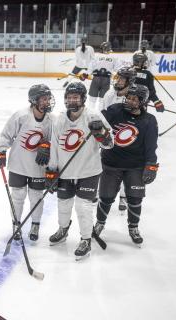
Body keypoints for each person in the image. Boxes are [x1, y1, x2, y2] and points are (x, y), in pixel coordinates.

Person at [47, 82, 113, 260]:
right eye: (69, 97)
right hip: (65, 172)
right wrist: (51, 170)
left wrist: (101, 133)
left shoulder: (93, 115)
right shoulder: (60, 118)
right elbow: (54, 145)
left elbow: (109, 143)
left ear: (83, 98)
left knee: (83, 207)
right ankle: (63, 229)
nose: (71, 100)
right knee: (63, 205)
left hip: (88, 171)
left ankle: (85, 240)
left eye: (75, 97)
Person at [94, 84, 159, 246]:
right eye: (128, 98)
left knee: (135, 198)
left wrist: (151, 164)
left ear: (143, 102)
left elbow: (151, 146)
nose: (129, 101)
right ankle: (100, 223)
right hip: (110, 163)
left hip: (135, 166)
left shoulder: (149, 121)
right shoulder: (115, 110)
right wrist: (96, 123)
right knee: (106, 197)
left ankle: (133, 227)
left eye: (134, 99)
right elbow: (97, 119)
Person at [0, 84, 54, 241]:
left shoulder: (52, 120)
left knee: (36, 196)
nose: (47, 102)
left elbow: (56, 141)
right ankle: (16, 223)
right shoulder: (21, 116)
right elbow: (6, 134)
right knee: (18, 195)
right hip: (18, 164)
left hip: (39, 166)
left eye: (48, 99)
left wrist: (48, 148)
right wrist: (1, 150)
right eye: (43, 99)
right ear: (34, 100)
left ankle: (35, 224)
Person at [103, 66, 138, 213]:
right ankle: (102, 193)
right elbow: (104, 114)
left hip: (128, 136)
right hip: (112, 134)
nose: (118, 80)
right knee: (106, 165)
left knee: (126, 166)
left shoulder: (136, 94)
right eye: (118, 77)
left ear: (130, 81)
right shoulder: (110, 93)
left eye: (123, 78)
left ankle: (123, 196)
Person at [83, 41, 119, 111]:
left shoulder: (96, 56)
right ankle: (100, 114)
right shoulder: (114, 57)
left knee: (92, 99)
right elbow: (117, 69)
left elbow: (91, 67)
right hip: (106, 79)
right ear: (109, 48)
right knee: (102, 99)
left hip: (96, 78)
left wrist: (87, 74)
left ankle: (90, 113)